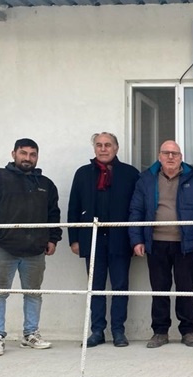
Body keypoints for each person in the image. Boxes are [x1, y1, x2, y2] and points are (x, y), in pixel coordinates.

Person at [0, 138, 62, 357]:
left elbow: (53, 214)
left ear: (37, 157)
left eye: (32, 154)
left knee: (33, 293)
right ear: (13, 154)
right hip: (3, 246)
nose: (27, 158)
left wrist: (53, 239)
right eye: (23, 153)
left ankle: (30, 334)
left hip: (35, 249)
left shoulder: (46, 184)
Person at [128, 140, 193, 348]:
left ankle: (188, 331)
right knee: (159, 289)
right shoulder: (146, 180)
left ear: (181, 157)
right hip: (155, 243)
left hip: (185, 244)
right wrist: (137, 239)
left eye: (175, 153)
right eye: (166, 153)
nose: (171, 157)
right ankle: (160, 332)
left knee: (185, 288)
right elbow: (136, 211)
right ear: (159, 157)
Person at [68, 132, 140, 348]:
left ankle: (118, 331)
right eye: (99, 145)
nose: (103, 149)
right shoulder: (83, 173)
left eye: (108, 145)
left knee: (120, 286)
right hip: (92, 238)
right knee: (95, 286)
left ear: (116, 148)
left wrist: (136, 238)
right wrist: (74, 239)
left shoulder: (130, 173)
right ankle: (97, 331)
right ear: (94, 148)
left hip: (120, 238)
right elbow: (74, 207)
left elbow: (137, 208)